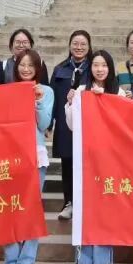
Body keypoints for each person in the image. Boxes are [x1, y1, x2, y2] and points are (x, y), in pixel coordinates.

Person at [70, 49, 129, 264]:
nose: (100, 69)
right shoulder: (81, 91)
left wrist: (108, 100)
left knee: (106, 208)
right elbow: (72, 124)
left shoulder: (118, 93)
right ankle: (84, 260)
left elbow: (123, 125)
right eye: (96, 65)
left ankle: (102, 260)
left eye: (104, 65)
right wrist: (71, 103)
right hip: (85, 157)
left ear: (110, 68)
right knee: (85, 207)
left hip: (110, 159)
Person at [2, 49, 53, 264]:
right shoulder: (7, 90)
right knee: (8, 207)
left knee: (31, 208)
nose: (26, 69)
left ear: (37, 69)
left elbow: (44, 125)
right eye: (22, 64)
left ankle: (25, 262)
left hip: (34, 154)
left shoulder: (46, 91)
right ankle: (10, 261)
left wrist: (38, 101)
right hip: (9, 155)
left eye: (30, 65)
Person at [51, 30, 92, 221]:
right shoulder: (60, 69)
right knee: (67, 164)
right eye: (75, 43)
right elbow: (52, 97)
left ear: (89, 47)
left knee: (87, 165)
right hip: (65, 125)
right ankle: (69, 202)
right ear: (69, 45)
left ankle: (86, 203)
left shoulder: (95, 67)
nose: (79, 47)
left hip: (89, 126)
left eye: (83, 44)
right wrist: (50, 123)